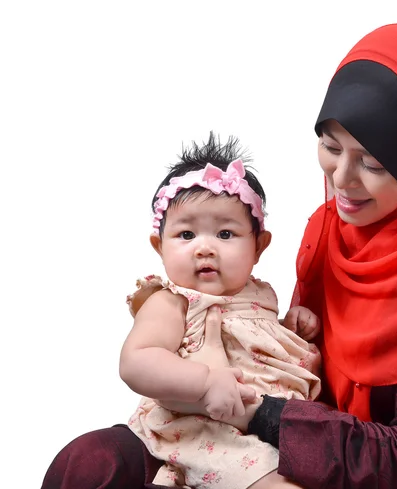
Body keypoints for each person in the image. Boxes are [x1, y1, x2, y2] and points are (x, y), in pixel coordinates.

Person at [42, 22, 397, 489]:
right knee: (88, 466)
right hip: (269, 432)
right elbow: (296, 362)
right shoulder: (330, 231)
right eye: (330, 146)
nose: (341, 180)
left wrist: (257, 413)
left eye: (374, 163)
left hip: (365, 463)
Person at [119, 134, 321, 488]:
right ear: (159, 245)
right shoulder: (173, 301)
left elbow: (258, 342)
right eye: (186, 235)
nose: (205, 248)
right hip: (205, 427)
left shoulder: (258, 293)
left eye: (226, 234)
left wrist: (292, 325)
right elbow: (136, 361)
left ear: (259, 246)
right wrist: (205, 382)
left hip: (274, 421)